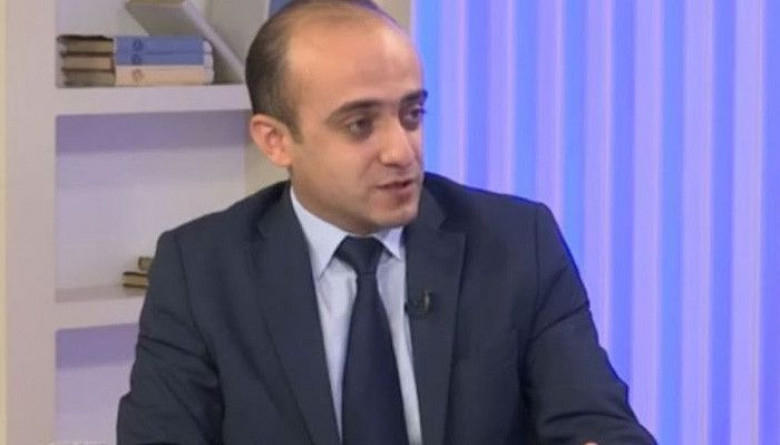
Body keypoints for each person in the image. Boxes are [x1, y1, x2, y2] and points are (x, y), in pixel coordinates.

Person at [117, 1, 656, 444]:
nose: (402, 151)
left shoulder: (517, 243)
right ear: (275, 141)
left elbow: (596, 422)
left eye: (412, 114)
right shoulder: (201, 271)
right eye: (360, 124)